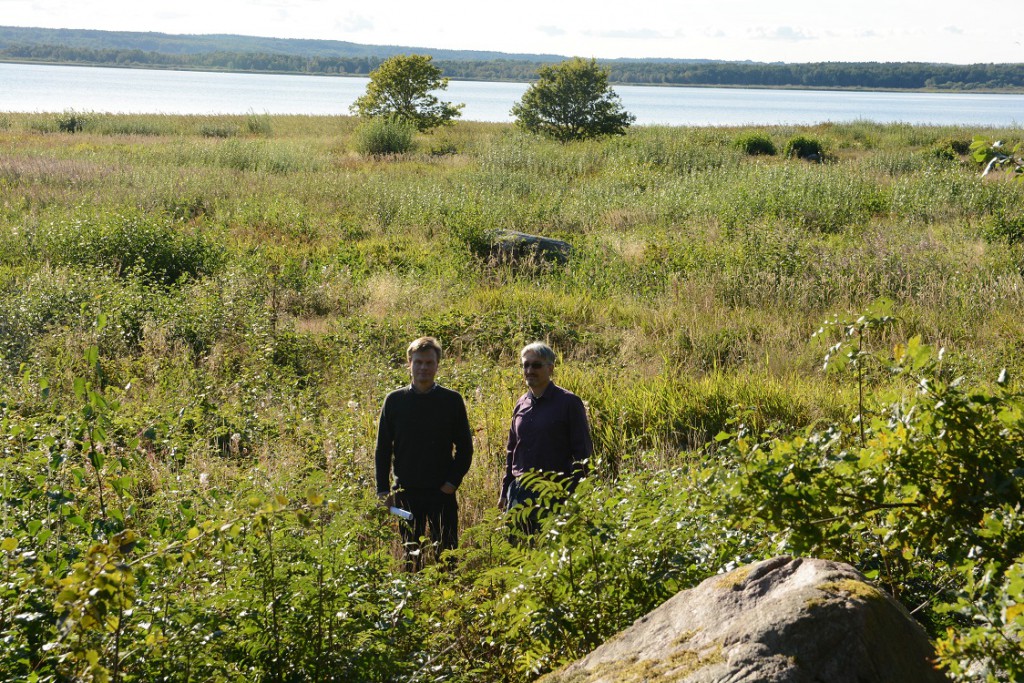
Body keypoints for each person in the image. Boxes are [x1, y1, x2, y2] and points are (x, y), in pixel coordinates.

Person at [375, 337, 473, 570]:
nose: (423, 368)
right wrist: (382, 490)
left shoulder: (451, 400)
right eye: (418, 362)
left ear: (438, 365)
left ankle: (449, 600)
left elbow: (465, 448)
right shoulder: (395, 400)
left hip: (441, 493)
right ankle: (411, 598)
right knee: (410, 554)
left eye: (429, 362)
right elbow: (382, 449)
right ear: (409, 363)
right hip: (406, 493)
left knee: (447, 554)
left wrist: (451, 483)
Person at [499, 342, 593, 531]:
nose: (529, 370)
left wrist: (577, 495)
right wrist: (505, 490)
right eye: (526, 365)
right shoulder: (521, 403)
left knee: (551, 553)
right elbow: (512, 450)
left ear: (550, 368)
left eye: (536, 365)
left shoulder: (568, 402)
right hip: (520, 492)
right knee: (518, 551)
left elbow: (582, 452)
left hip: (555, 493)